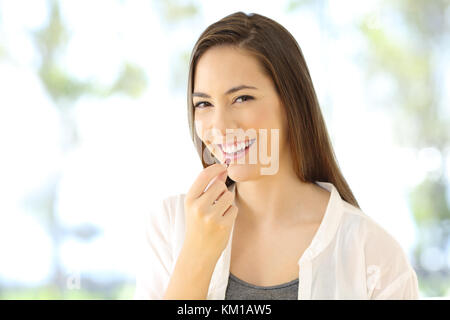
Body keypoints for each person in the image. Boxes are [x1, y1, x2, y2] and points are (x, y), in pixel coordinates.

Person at [133, 11, 419, 300]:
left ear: (291, 102)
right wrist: (196, 256)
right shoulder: (171, 227)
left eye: (242, 98)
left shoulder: (373, 256)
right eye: (204, 103)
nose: (219, 126)